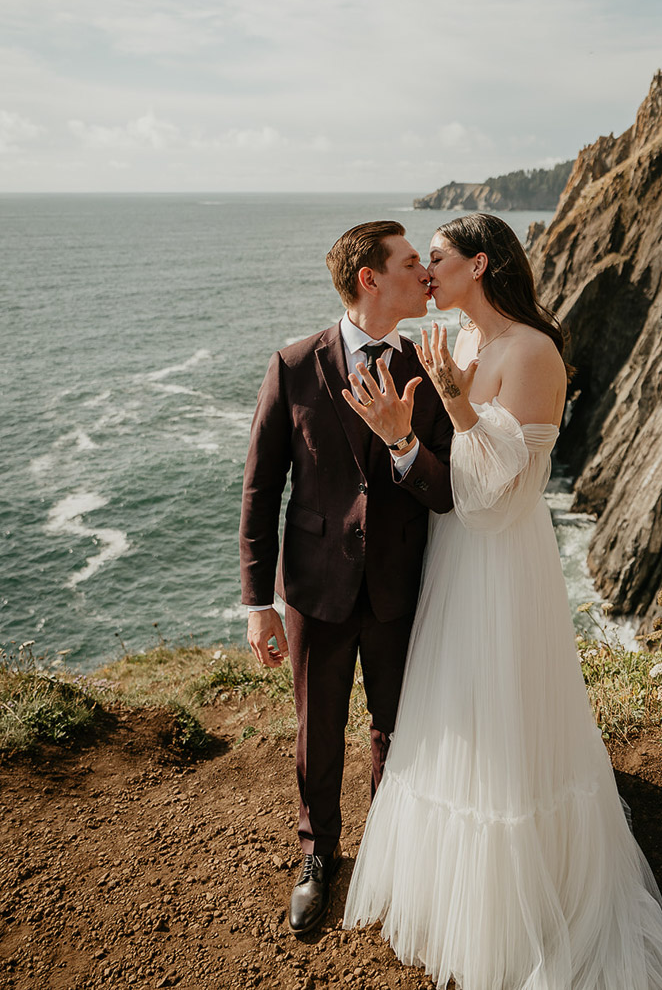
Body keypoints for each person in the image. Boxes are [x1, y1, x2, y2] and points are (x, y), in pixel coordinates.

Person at [343, 214, 662, 990]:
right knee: (454, 716)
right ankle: (451, 896)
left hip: (501, 561)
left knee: (505, 723)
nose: (426, 271)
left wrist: (452, 403)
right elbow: (444, 485)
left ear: (479, 264)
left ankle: (522, 909)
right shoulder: (462, 345)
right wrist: (408, 432)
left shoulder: (533, 351)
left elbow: (501, 493)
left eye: (435, 258)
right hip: (454, 558)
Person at [239, 220, 453, 937]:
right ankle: (318, 855)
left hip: (399, 585)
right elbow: (259, 489)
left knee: (397, 729)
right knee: (317, 729)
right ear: (370, 278)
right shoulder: (295, 364)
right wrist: (257, 604)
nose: (426, 273)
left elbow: (447, 489)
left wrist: (403, 442)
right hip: (315, 588)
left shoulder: (428, 365)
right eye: (411, 262)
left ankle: (394, 858)